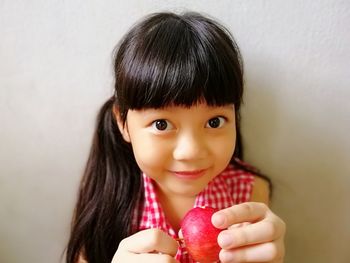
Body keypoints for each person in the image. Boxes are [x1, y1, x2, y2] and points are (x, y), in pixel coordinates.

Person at [66, 11, 285, 263]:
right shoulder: (104, 197)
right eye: (161, 124)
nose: (190, 151)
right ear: (123, 123)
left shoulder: (249, 193)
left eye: (214, 122)